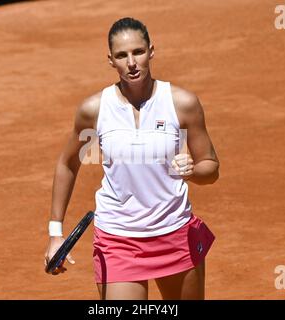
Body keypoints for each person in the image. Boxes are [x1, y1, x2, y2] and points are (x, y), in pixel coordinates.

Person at [44, 17, 220, 300]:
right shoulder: (95, 109)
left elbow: (211, 166)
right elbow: (68, 163)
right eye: (121, 56)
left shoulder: (181, 103)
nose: (132, 63)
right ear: (110, 60)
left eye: (138, 52)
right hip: (118, 238)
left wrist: (193, 171)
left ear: (151, 50)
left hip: (174, 233)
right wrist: (55, 233)